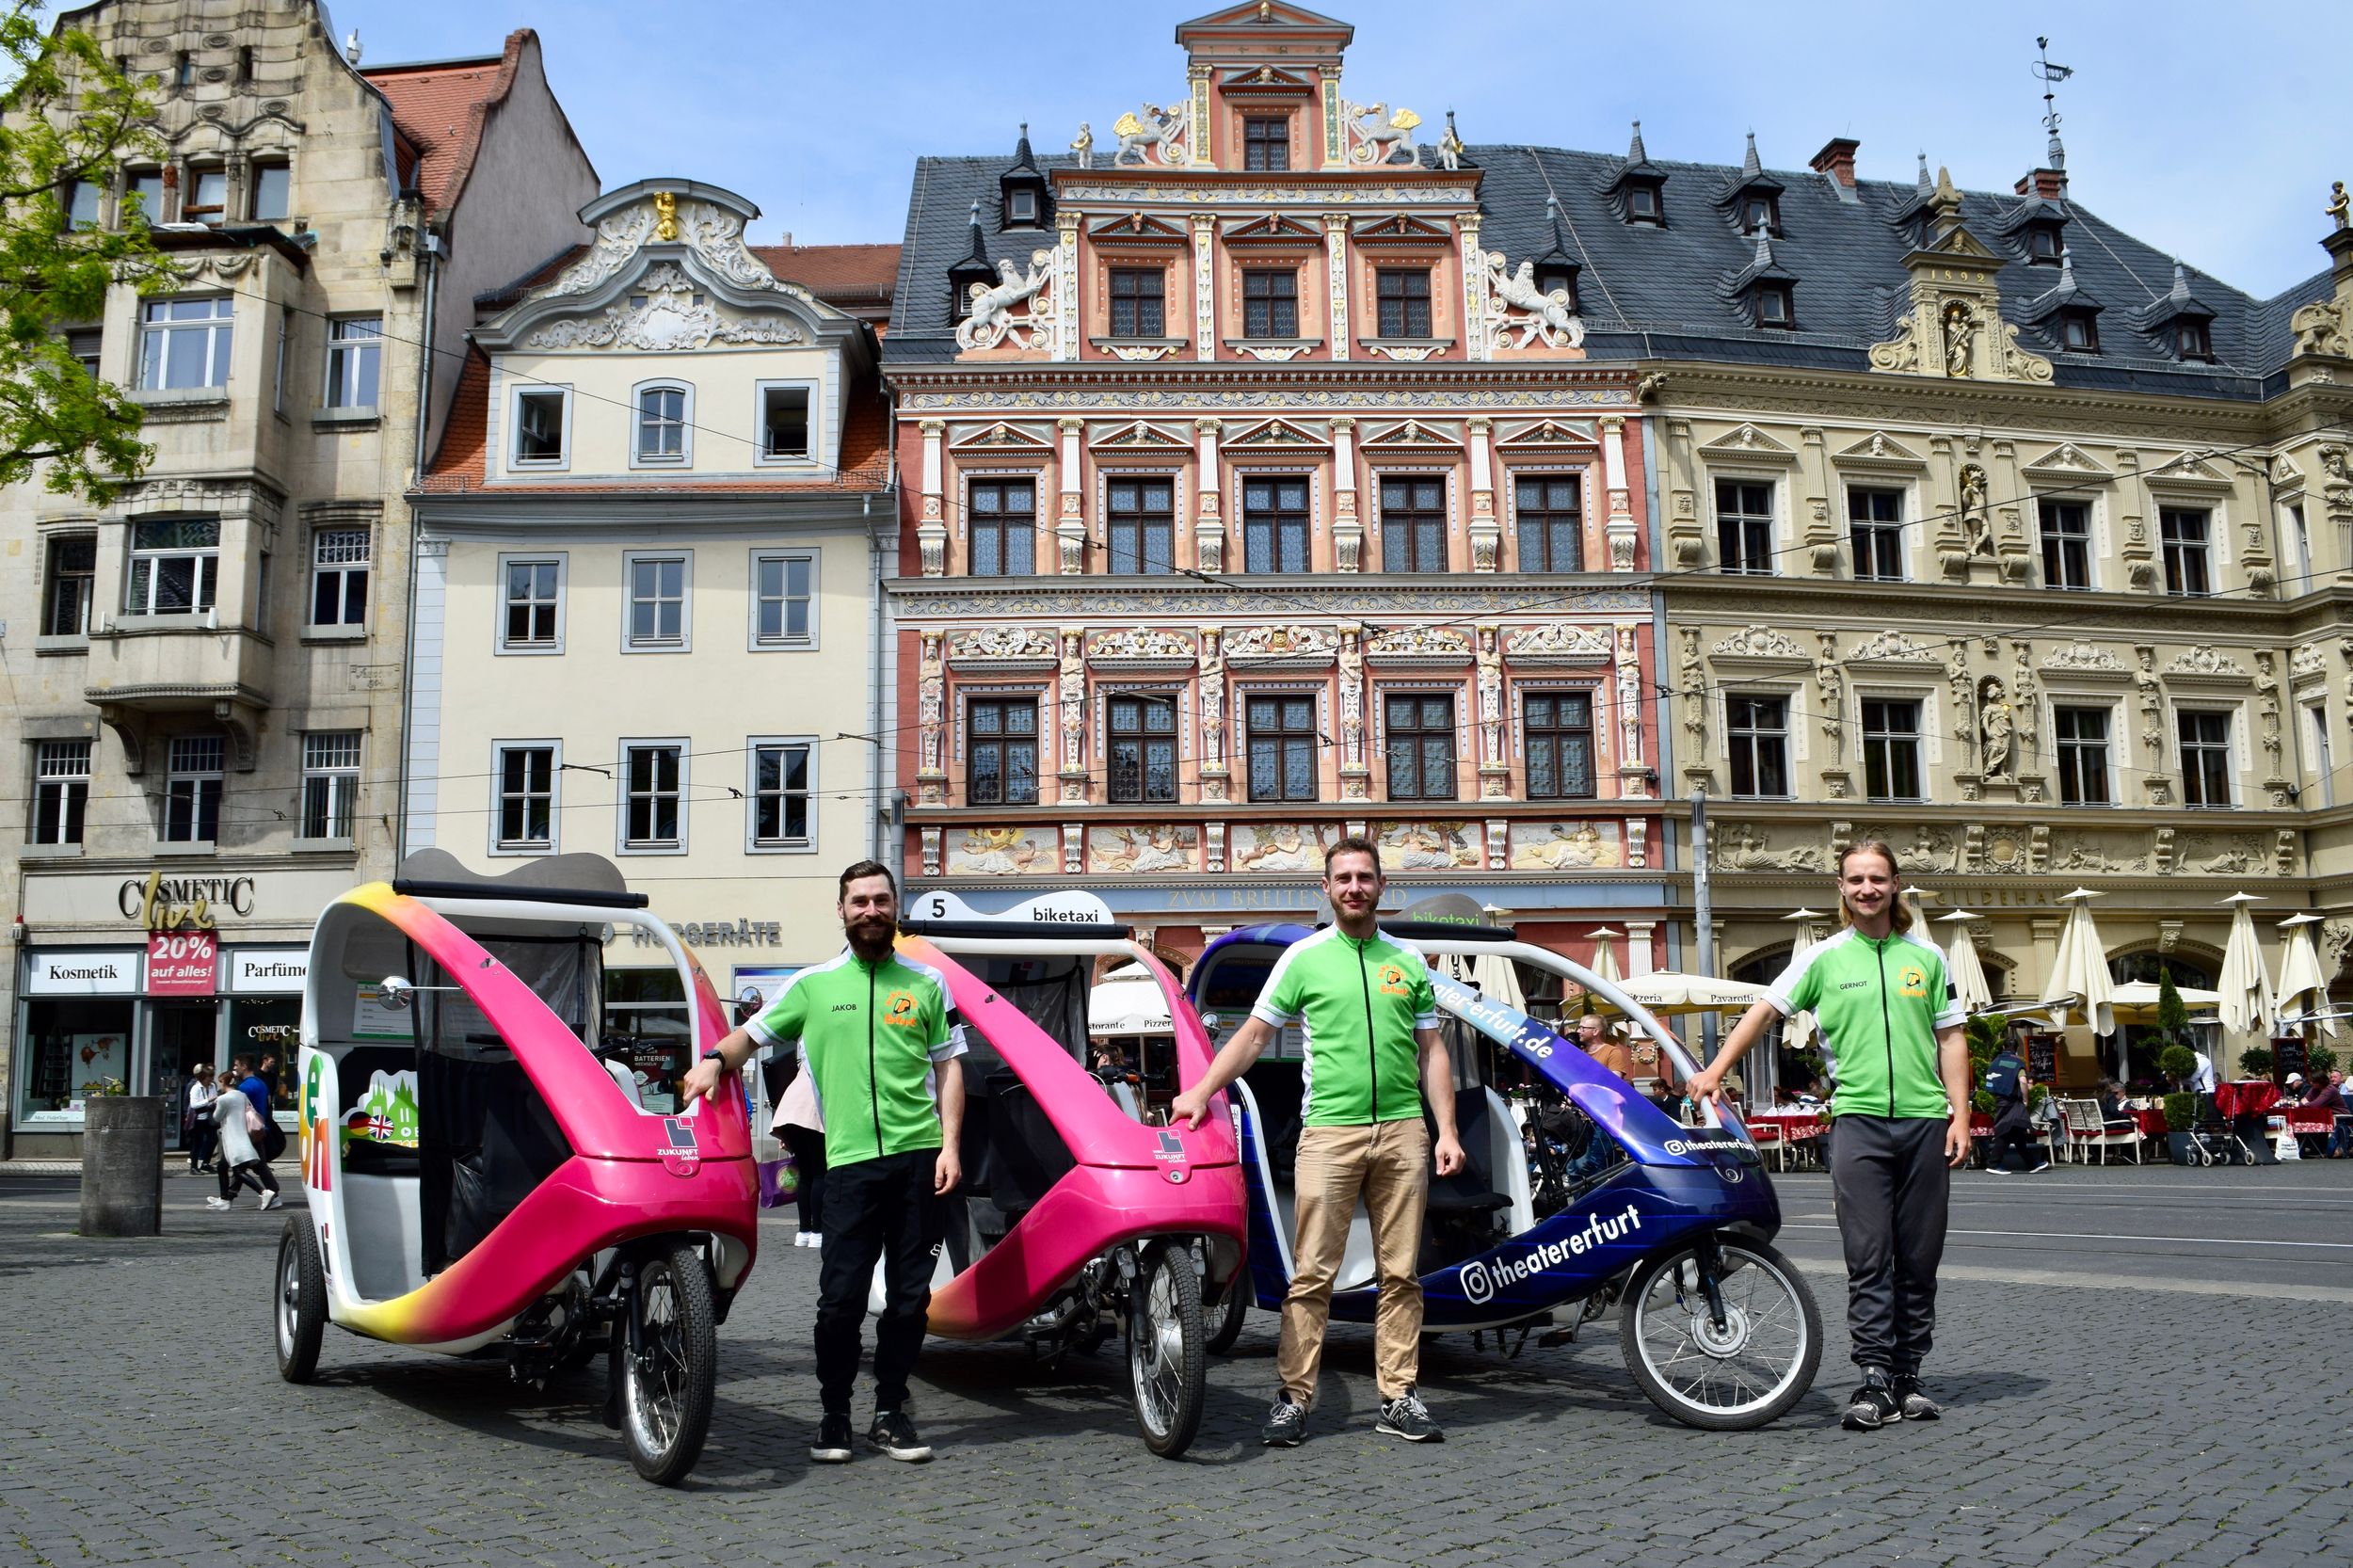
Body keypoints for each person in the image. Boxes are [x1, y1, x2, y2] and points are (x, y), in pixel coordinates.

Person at [1171, 836, 1465, 1448]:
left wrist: (1448, 1131)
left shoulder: (1408, 961)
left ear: (1381, 887)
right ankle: (1294, 1398)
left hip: (1404, 1132)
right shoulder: (1303, 958)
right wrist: (1202, 1092)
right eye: (1343, 878)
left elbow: (1432, 1052)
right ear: (1326, 890)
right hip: (1329, 1131)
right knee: (1312, 1274)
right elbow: (1253, 1036)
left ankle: (1398, 1395)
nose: (1354, 886)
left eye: (1364, 876)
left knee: (1401, 1275)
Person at [681, 861, 963, 1465]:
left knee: (911, 1300)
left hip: (918, 1160)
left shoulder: (928, 985)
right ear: (841, 910)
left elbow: (949, 1066)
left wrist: (951, 1146)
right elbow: (752, 1035)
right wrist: (711, 1061)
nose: (870, 910)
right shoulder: (813, 984)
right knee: (840, 1300)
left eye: (880, 900)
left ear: (895, 907)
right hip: (849, 1166)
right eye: (858, 901)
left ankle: (890, 1411)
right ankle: (834, 1413)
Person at [1683, 840, 1968, 1432]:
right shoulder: (1824, 958)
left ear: (1896, 886)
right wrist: (1713, 1070)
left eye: (1878, 879)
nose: (1868, 889)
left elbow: (1952, 1040)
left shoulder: (1929, 958)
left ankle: (1910, 1375)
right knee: (1869, 1259)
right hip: (1858, 1123)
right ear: (1841, 889)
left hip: (1923, 1124)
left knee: (1920, 1259)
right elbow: (1764, 1011)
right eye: (1857, 879)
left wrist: (1960, 1116)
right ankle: (1873, 1380)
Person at [206, 1074, 281, 1210]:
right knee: (222, 1166)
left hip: (233, 1139)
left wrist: (212, 1107)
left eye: (220, 1083)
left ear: (223, 1082)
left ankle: (264, 1193)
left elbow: (217, 1118)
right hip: (243, 1136)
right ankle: (224, 1199)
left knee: (239, 1171)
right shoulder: (242, 1095)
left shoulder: (223, 1099)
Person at [774, 1062, 827, 1250]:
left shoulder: (802, 1064)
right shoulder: (823, 1060)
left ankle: (804, 1231)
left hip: (790, 1114)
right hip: (810, 1114)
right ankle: (818, 1232)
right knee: (820, 1173)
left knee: (805, 1175)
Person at [1980, 1038, 2047, 1175]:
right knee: (2006, 1131)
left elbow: (1991, 1079)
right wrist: (2025, 1099)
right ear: (2016, 1048)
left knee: (2017, 1132)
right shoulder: (2017, 1062)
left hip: (2000, 1099)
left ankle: (2032, 1164)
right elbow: (2023, 1081)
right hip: (2013, 1101)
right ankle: (1993, 1164)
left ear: (2003, 1047)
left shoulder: (1996, 1061)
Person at [183, 1064, 219, 1174]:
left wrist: (214, 1101)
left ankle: (205, 1163)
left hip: (209, 1116)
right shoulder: (196, 1087)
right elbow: (193, 1104)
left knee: (213, 1138)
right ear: (203, 1077)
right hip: (198, 1118)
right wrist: (208, 1100)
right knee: (197, 1142)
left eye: (212, 1077)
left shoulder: (212, 1086)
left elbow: (214, 1099)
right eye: (209, 1077)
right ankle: (194, 1167)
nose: (211, 1080)